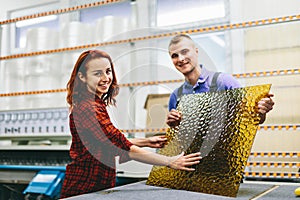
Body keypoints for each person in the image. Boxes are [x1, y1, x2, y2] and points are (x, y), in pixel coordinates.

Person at [60, 49, 201, 198]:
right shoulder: (89, 108)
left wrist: (147, 141)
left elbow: (109, 142)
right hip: (84, 189)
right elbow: (124, 147)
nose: (106, 78)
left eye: (108, 71)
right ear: (82, 76)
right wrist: (170, 161)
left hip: (94, 188)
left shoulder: (94, 104)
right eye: (97, 73)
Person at [166, 34, 274, 127]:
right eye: (174, 56)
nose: (180, 59)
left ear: (196, 51)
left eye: (184, 52)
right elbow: (180, 135)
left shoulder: (224, 82)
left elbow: (253, 118)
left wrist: (261, 110)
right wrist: (173, 125)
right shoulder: (176, 96)